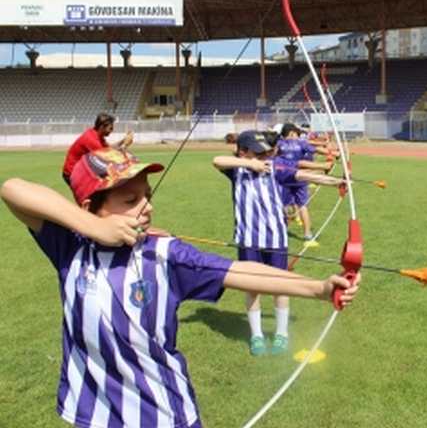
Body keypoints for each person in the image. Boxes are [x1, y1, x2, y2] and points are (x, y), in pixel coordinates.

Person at [1, 148, 359, 428]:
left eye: (146, 195)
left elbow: (238, 271)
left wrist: (319, 288)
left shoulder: (164, 254)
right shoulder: (71, 246)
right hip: (94, 414)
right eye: (130, 201)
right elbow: (12, 188)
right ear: (89, 208)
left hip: (164, 413)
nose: (147, 207)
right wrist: (92, 229)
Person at [213, 131, 345, 356]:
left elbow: (303, 176)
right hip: (248, 240)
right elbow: (217, 161)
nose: (265, 156)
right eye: (258, 152)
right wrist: (250, 165)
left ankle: (282, 333)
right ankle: (256, 335)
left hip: (275, 238)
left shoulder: (275, 169)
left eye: (266, 152)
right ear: (243, 152)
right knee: (252, 287)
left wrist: (336, 181)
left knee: (280, 285)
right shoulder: (236, 171)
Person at [276, 123, 334, 241]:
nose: (298, 135)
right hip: (301, 178)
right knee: (302, 206)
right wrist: (331, 153)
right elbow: (315, 149)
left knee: (284, 206)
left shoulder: (279, 144)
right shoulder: (300, 143)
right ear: (291, 133)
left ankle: (281, 232)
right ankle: (307, 233)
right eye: (296, 133)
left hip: (284, 178)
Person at [62, 113, 134, 185]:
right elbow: (107, 157)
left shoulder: (96, 135)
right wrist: (124, 146)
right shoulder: (91, 139)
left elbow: (109, 149)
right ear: (102, 127)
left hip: (80, 171)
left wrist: (123, 140)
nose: (112, 130)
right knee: (94, 193)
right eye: (110, 128)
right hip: (72, 173)